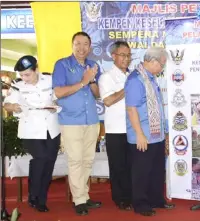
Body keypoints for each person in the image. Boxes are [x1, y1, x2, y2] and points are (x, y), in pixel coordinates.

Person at [52, 31, 102, 216]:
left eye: (85, 44)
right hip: (71, 120)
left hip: (92, 120)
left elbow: (97, 94)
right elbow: (58, 92)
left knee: (88, 160)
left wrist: (93, 80)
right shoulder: (62, 65)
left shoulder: (93, 65)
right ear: (72, 45)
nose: (81, 48)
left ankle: (84, 195)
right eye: (78, 44)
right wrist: (83, 82)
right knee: (75, 161)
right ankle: (79, 199)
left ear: (90, 47)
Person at [4, 56, 60, 212]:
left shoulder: (50, 80)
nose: (24, 78)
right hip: (31, 130)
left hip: (52, 129)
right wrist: (13, 106)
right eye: (21, 75)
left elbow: (59, 97)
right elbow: (7, 104)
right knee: (40, 158)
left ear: (36, 69)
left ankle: (41, 198)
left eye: (27, 74)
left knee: (49, 163)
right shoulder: (17, 86)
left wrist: (55, 105)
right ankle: (33, 195)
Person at [125, 47, 175, 216]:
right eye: (162, 64)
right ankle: (140, 204)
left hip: (156, 135)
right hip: (143, 136)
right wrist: (139, 134)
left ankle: (156, 200)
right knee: (142, 172)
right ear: (153, 62)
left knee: (156, 170)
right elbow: (131, 109)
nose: (162, 68)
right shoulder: (135, 79)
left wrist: (165, 133)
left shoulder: (151, 78)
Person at [98, 41, 132, 210]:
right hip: (116, 130)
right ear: (114, 56)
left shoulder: (131, 75)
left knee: (132, 165)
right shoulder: (107, 77)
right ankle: (121, 199)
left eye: (128, 55)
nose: (126, 59)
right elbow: (108, 100)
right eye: (123, 55)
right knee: (118, 166)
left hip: (133, 129)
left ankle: (132, 195)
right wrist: (127, 88)